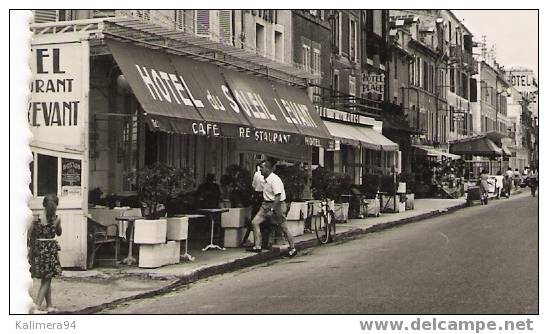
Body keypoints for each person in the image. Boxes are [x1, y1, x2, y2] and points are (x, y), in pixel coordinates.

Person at [248, 160, 297, 256]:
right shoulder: (264, 178)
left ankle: (292, 248)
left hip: (276, 205)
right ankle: (257, 246)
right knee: (255, 222)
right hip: (266, 204)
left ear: (267, 168)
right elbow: (257, 187)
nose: (260, 170)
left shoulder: (274, 180)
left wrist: (272, 210)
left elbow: (278, 196)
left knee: (284, 227)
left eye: (261, 168)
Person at [28, 194, 63, 314]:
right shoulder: (56, 219)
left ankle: (49, 306)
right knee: (47, 280)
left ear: (43, 204)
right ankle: (36, 306)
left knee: (46, 278)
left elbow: (30, 234)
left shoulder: (36, 218)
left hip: (38, 250)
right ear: (56, 205)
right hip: (50, 251)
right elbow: (59, 233)